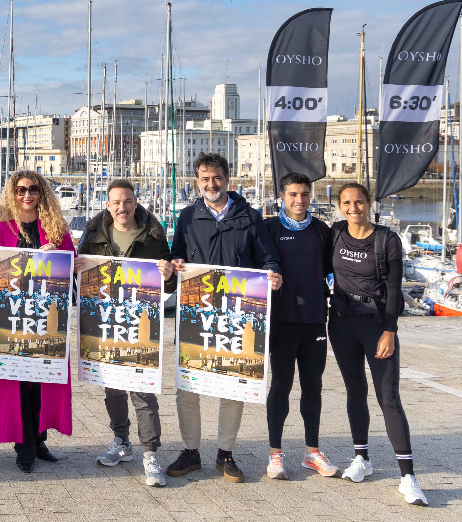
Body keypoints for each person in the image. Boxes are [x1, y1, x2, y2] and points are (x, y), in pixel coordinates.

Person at [166, 153, 282, 483]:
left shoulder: (250, 216)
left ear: (227, 180)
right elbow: (177, 258)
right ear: (197, 182)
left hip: (237, 316)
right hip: (196, 314)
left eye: (216, 178)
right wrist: (173, 267)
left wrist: (273, 275)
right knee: (187, 388)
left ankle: (225, 453)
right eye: (204, 179)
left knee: (232, 385)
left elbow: (268, 259)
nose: (211, 184)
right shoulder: (187, 217)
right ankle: (190, 451)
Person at [329, 183, 426, 506]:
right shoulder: (336, 233)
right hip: (341, 322)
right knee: (355, 390)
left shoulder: (387, 239)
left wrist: (390, 330)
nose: (353, 207)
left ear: (369, 203)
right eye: (347, 202)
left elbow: (395, 289)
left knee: (389, 398)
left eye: (359, 202)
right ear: (339, 206)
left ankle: (408, 476)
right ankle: (362, 458)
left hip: (375, 324)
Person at [76, 179, 176, 487]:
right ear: (108, 205)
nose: (122, 207)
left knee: (143, 392)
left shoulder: (155, 236)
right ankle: (121, 441)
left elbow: (168, 284)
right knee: (113, 389)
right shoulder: (92, 235)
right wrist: (75, 268)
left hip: (140, 324)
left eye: (127, 201)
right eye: (116, 202)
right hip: (106, 322)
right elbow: (77, 278)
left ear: (135, 203)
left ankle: (151, 453)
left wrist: (169, 275)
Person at [0, 170, 74, 473]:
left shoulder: (56, 228)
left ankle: (39, 438)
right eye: (20, 190)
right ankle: (24, 445)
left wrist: (56, 254)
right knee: (19, 380)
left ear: (41, 193)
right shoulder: (3, 229)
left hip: (47, 317)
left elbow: (71, 266)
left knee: (42, 379)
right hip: (13, 317)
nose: (27, 195)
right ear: (13, 194)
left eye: (33, 189)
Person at [261, 173, 337, 481]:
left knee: (313, 386)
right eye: (293, 194)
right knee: (281, 385)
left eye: (304, 194)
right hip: (280, 321)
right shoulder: (268, 229)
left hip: (315, 321)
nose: (299, 200)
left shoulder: (321, 231)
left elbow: (335, 272)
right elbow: (252, 266)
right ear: (282, 196)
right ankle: (275, 454)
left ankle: (312, 452)